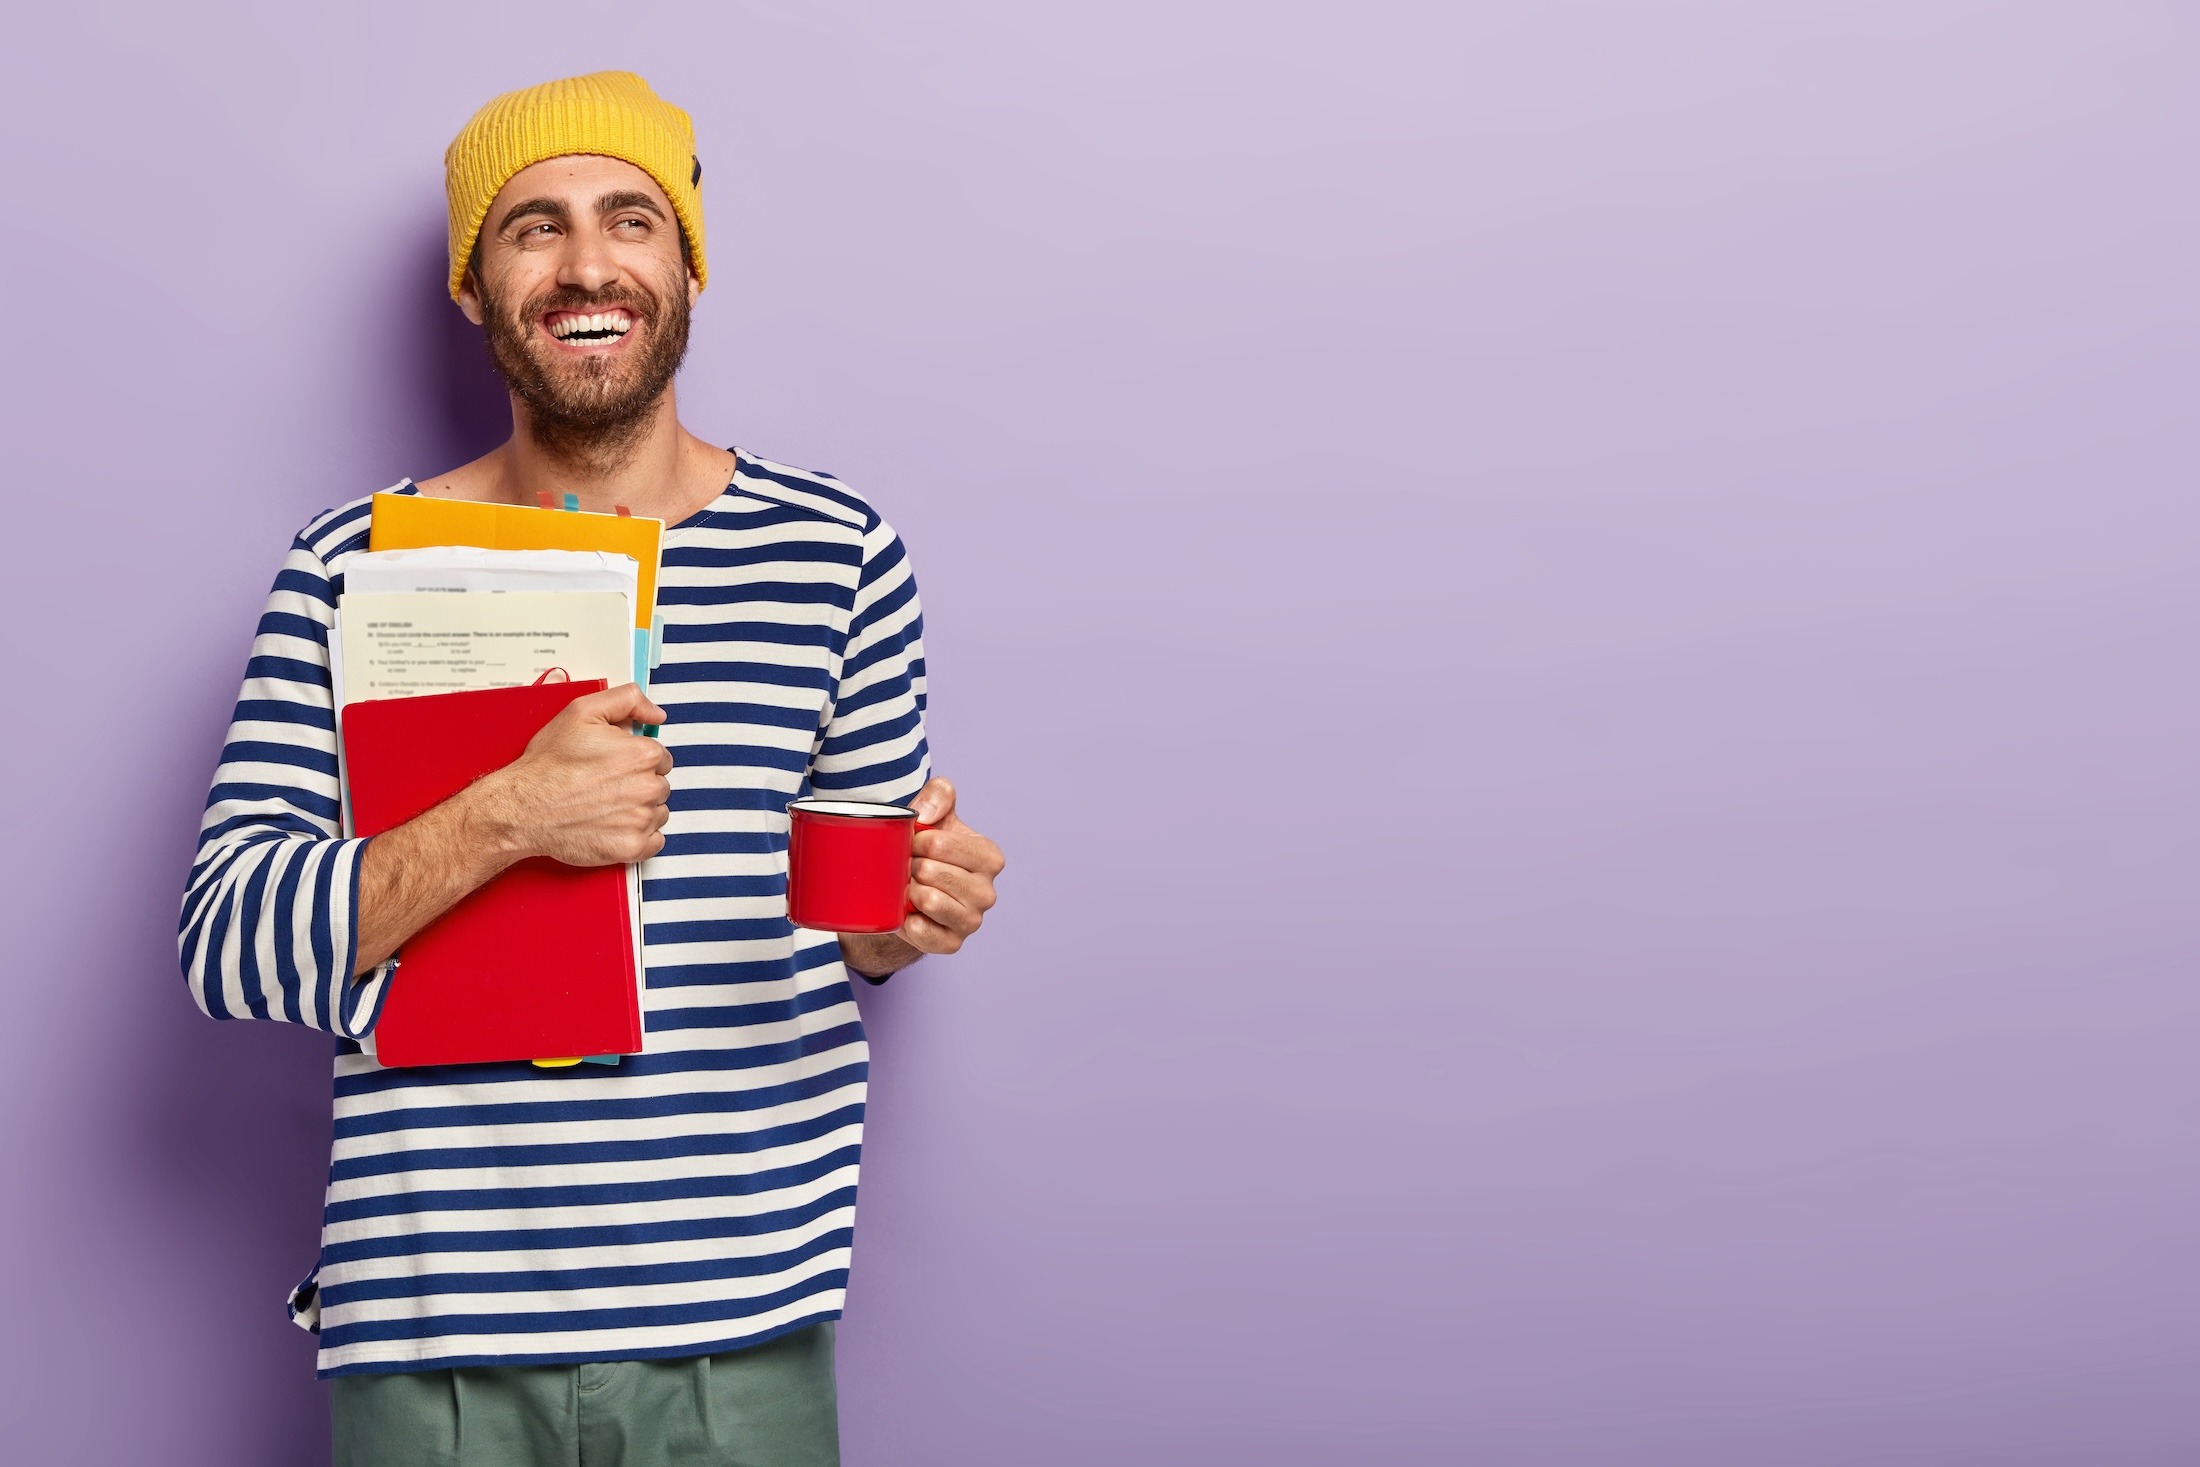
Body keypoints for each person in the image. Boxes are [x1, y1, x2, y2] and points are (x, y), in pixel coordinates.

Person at [177, 71, 1005, 1466]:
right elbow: (229, 947)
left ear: (686, 262)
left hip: (738, 1331)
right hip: (433, 1338)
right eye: (531, 228)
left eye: (630, 218)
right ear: (472, 287)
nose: (586, 265)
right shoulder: (352, 563)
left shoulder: (839, 555)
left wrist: (906, 919)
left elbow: (855, 925)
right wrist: (510, 812)